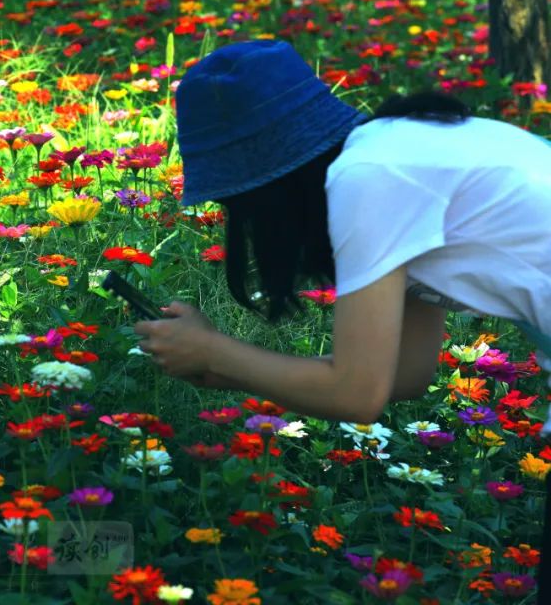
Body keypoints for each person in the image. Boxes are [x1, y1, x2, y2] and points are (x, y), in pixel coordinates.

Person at [132, 39, 551, 594]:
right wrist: (227, 370)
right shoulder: (396, 151)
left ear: (268, 189)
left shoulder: (369, 179)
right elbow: (402, 375)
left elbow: (357, 393)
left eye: (237, 206)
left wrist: (215, 352)